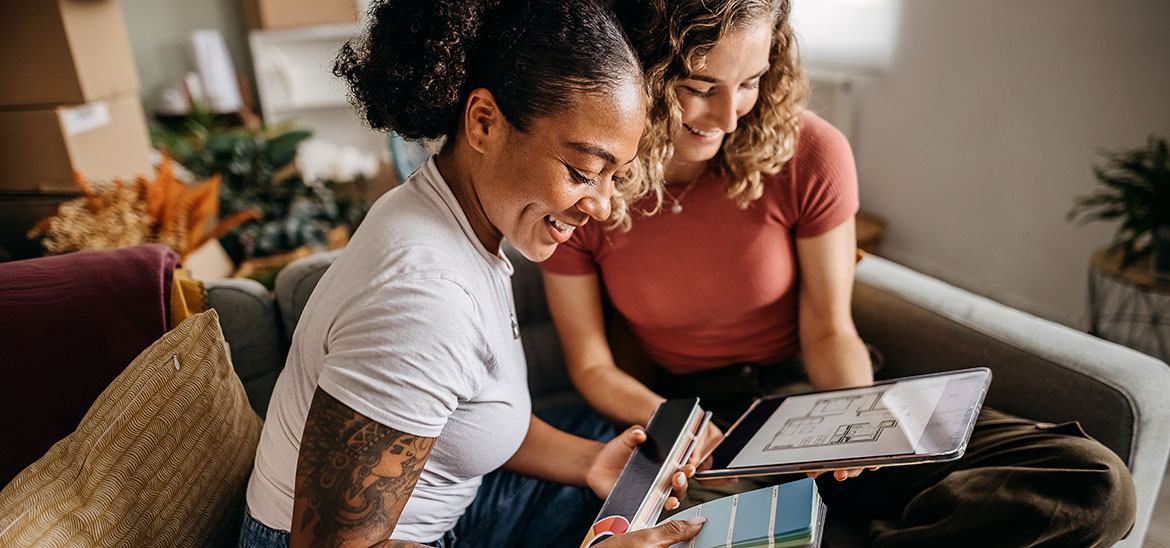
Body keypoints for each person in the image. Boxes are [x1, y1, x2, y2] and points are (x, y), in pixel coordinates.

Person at [540, 0, 1138, 546]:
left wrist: (856, 411)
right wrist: (678, 424)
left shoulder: (810, 152)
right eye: (700, 87)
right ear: (642, 71)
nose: (726, 116)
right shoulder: (590, 189)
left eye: (748, 84)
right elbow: (592, 366)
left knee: (1094, 482)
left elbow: (829, 329)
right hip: (706, 424)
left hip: (817, 394)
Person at [238, 1, 706, 547]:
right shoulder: (423, 298)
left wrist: (590, 463)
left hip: (447, 515)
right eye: (581, 171)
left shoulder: (455, 214)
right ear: (484, 121)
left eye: (613, 176)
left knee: (623, 478)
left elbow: (466, 412)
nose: (600, 207)